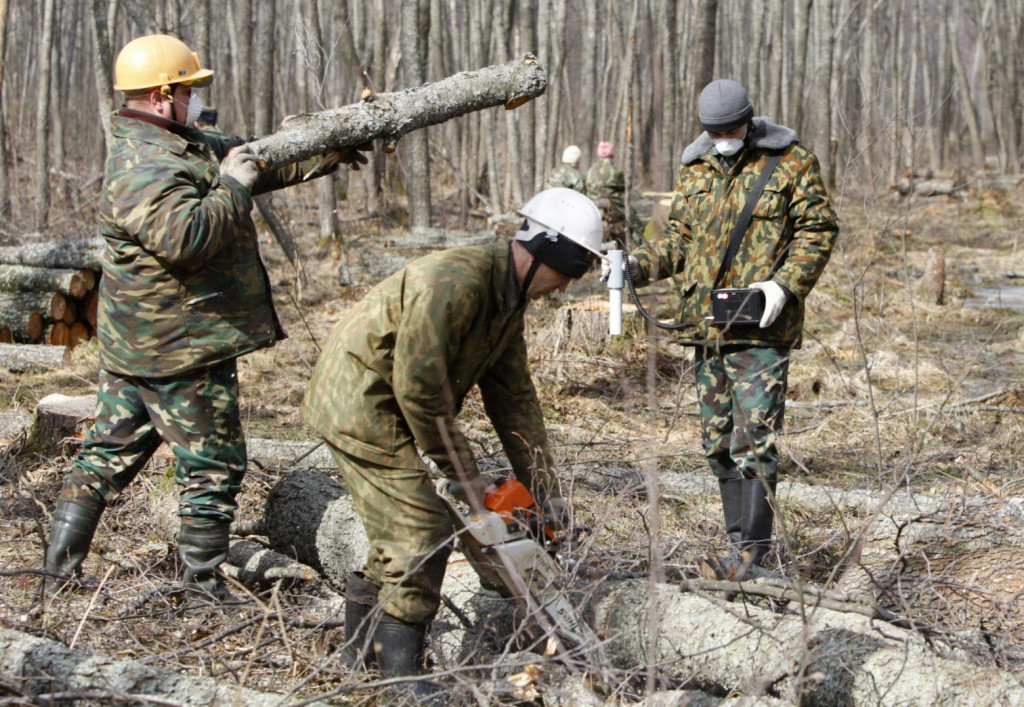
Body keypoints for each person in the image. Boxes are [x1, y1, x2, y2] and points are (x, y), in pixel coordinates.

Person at [42, 34, 367, 602]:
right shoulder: (144, 167)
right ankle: (199, 590)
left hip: (144, 343)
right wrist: (235, 187)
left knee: (107, 455)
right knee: (213, 467)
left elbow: (252, 158)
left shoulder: (176, 143)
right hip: (177, 346)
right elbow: (189, 238)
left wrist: (328, 145)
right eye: (190, 88)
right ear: (165, 93)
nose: (196, 98)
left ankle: (58, 575)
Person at [302, 188, 604, 687]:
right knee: (421, 527)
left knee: (398, 533)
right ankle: (400, 679)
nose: (566, 289)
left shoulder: (508, 299)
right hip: (356, 399)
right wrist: (466, 477)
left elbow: (515, 402)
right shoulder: (458, 283)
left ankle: (357, 660)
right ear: (546, 252)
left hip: (391, 402)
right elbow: (419, 390)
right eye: (568, 274)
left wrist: (548, 498)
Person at [610, 79, 839, 578]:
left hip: (760, 329)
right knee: (716, 441)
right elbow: (678, 240)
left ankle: (754, 553)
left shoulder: (791, 161)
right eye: (714, 133)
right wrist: (634, 266)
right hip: (706, 326)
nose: (723, 139)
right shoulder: (695, 168)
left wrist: (784, 286)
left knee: (754, 437)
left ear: (749, 120)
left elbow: (818, 230)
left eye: (731, 130)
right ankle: (736, 544)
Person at [585, 140, 640, 239]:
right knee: (634, 220)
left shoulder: (590, 170)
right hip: (613, 205)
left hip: (592, 206)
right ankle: (639, 246)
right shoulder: (615, 171)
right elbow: (623, 188)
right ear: (611, 155)